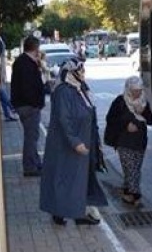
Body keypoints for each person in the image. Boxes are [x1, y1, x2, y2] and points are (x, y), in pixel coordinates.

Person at [39, 58, 107, 226]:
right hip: (67, 145)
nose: (83, 73)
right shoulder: (63, 91)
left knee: (78, 180)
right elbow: (64, 119)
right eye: (80, 70)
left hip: (84, 141)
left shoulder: (81, 88)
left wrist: (95, 141)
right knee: (66, 179)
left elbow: (90, 113)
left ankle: (74, 212)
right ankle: (64, 212)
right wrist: (75, 142)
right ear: (71, 72)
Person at [105, 76, 152, 207]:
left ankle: (128, 191)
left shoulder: (143, 102)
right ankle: (136, 196)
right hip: (124, 142)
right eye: (134, 90)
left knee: (135, 169)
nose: (137, 93)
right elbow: (110, 119)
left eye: (139, 90)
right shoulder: (120, 102)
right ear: (128, 89)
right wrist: (125, 125)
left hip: (140, 143)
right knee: (130, 169)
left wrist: (144, 112)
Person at [10, 36, 45, 177]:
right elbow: (28, 87)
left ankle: (35, 162)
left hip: (25, 105)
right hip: (28, 106)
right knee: (31, 137)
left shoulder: (23, 62)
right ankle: (30, 167)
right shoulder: (26, 64)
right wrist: (36, 104)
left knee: (32, 136)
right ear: (36, 49)